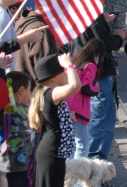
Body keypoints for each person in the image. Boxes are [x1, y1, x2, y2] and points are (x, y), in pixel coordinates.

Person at [62, 0, 127, 161]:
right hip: (95, 74)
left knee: (93, 120)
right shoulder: (91, 12)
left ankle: (90, 165)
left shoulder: (79, 11)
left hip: (84, 72)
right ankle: (94, 166)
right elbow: (105, 43)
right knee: (101, 121)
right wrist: (120, 37)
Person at [29, 53, 81, 187]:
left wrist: (66, 115)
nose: (67, 73)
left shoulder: (48, 93)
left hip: (54, 153)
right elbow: (75, 86)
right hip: (52, 152)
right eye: (64, 71)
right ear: (55, 78)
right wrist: (69, 65)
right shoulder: (51, 93)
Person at [66, 39, 104, 159]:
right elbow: (86, 87)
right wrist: (96, 88)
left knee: (70, 145)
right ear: (97, 54)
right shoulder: (91, 66)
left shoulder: (76, 62)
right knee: (83, 145)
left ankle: (68, 172)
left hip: (68, 105)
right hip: (79, 109)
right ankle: (78, 174)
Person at [0, 71, 34, 187]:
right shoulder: (10, 108)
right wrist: (2, 71)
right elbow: (8, 94)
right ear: (22, 90)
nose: (31, 93)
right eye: (30, 89)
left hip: (25, 164)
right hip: (10, 165)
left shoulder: (27, 107)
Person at [15, 6, 59, 80]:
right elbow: (45, 69)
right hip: (36, 86)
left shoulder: (22, 22)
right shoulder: (41, 29)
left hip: (24, 84)